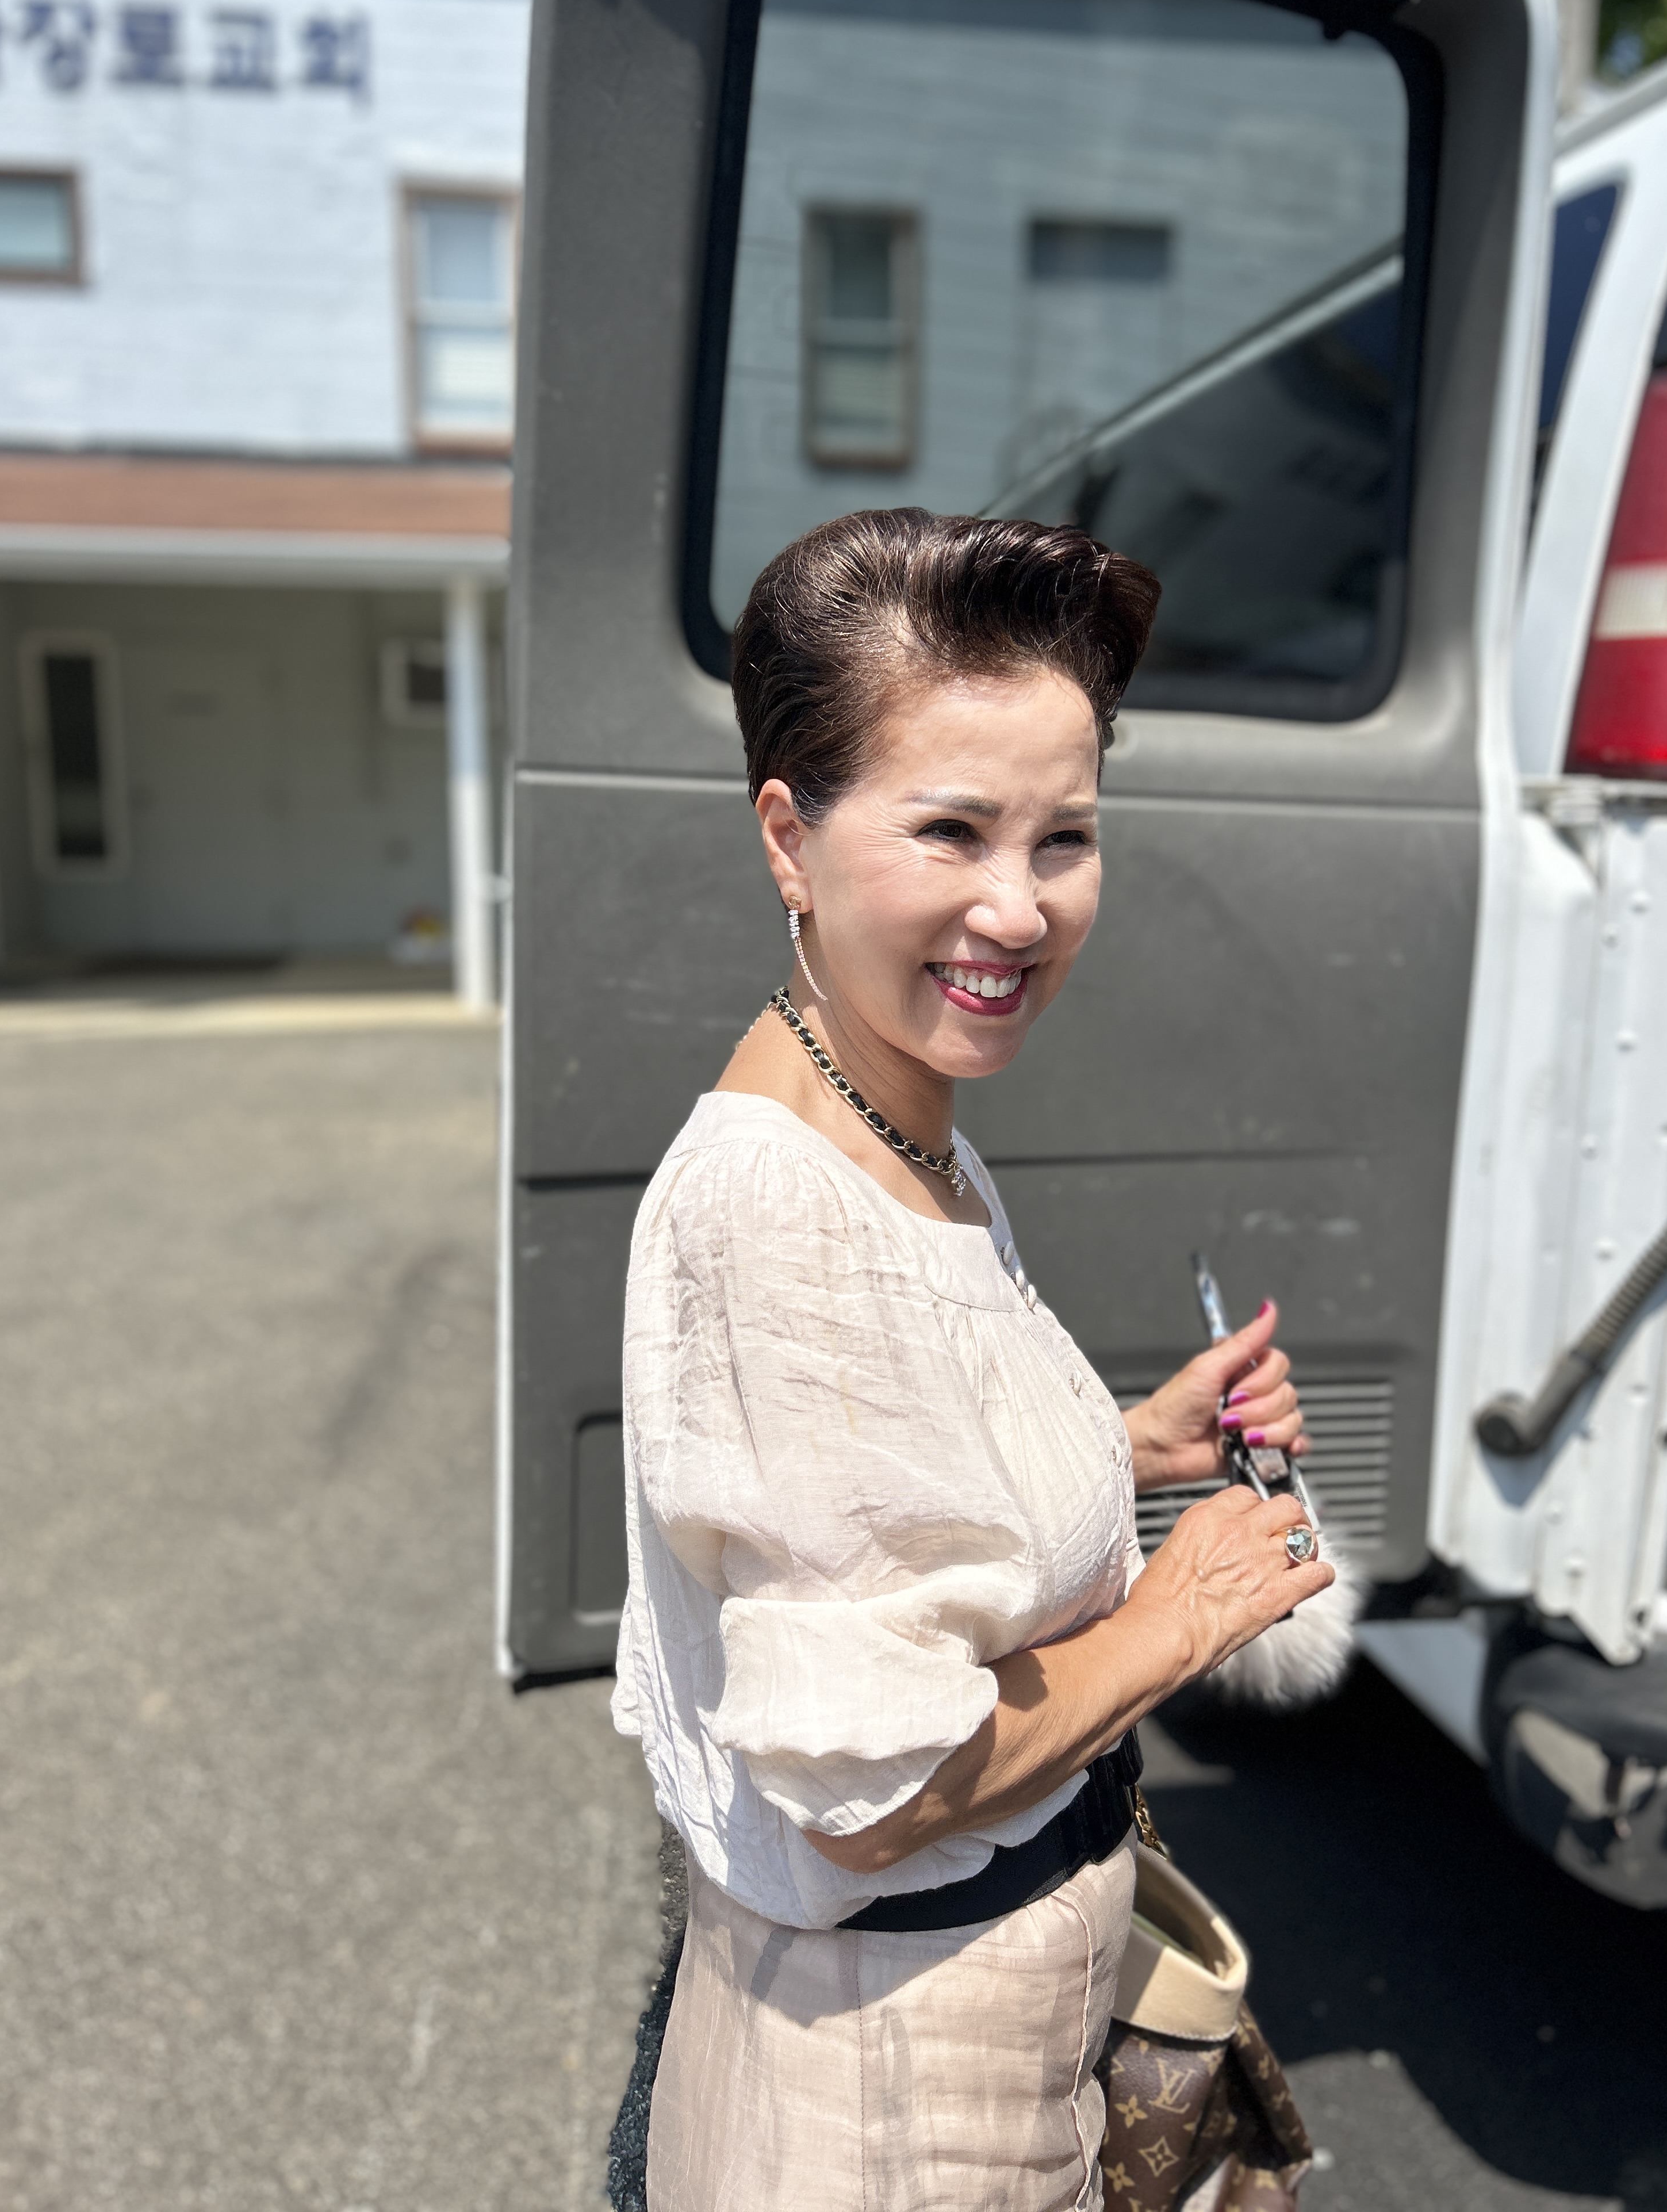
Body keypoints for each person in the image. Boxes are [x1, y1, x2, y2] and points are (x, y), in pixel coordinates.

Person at [611, 508, 1331, 2211]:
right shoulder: (781, 1212)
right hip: (889, 2099)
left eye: (1064, 836)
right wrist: (1186, 1614)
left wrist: (1127, 1447)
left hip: (967, 2041)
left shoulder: (887, 1107)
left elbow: (869, 1500)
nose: (1018, 907)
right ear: (789, 838)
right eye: (950, 829)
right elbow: (874, 1792)